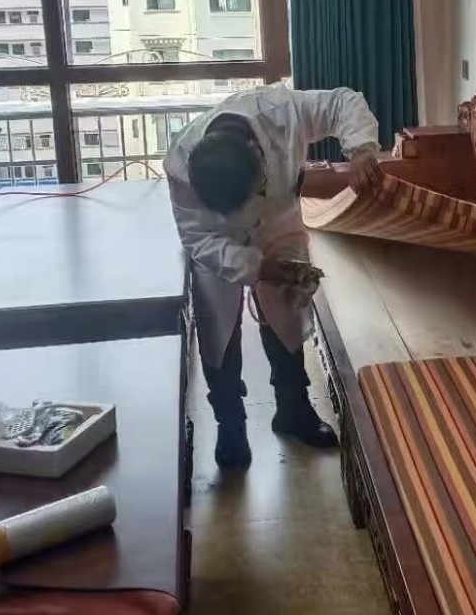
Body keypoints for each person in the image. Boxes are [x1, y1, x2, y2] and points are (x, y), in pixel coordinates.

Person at [163, 83, 381, 470]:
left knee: (287, 313)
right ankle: (230, 424)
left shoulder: (281, 112)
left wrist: (362, 150)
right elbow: (197, 238)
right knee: (217, 329)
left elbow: (343, 102)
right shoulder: (181, 164)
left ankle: (293, 409)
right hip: (219, 242)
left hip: (279, 222)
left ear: (256, 149)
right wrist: (257, 267)